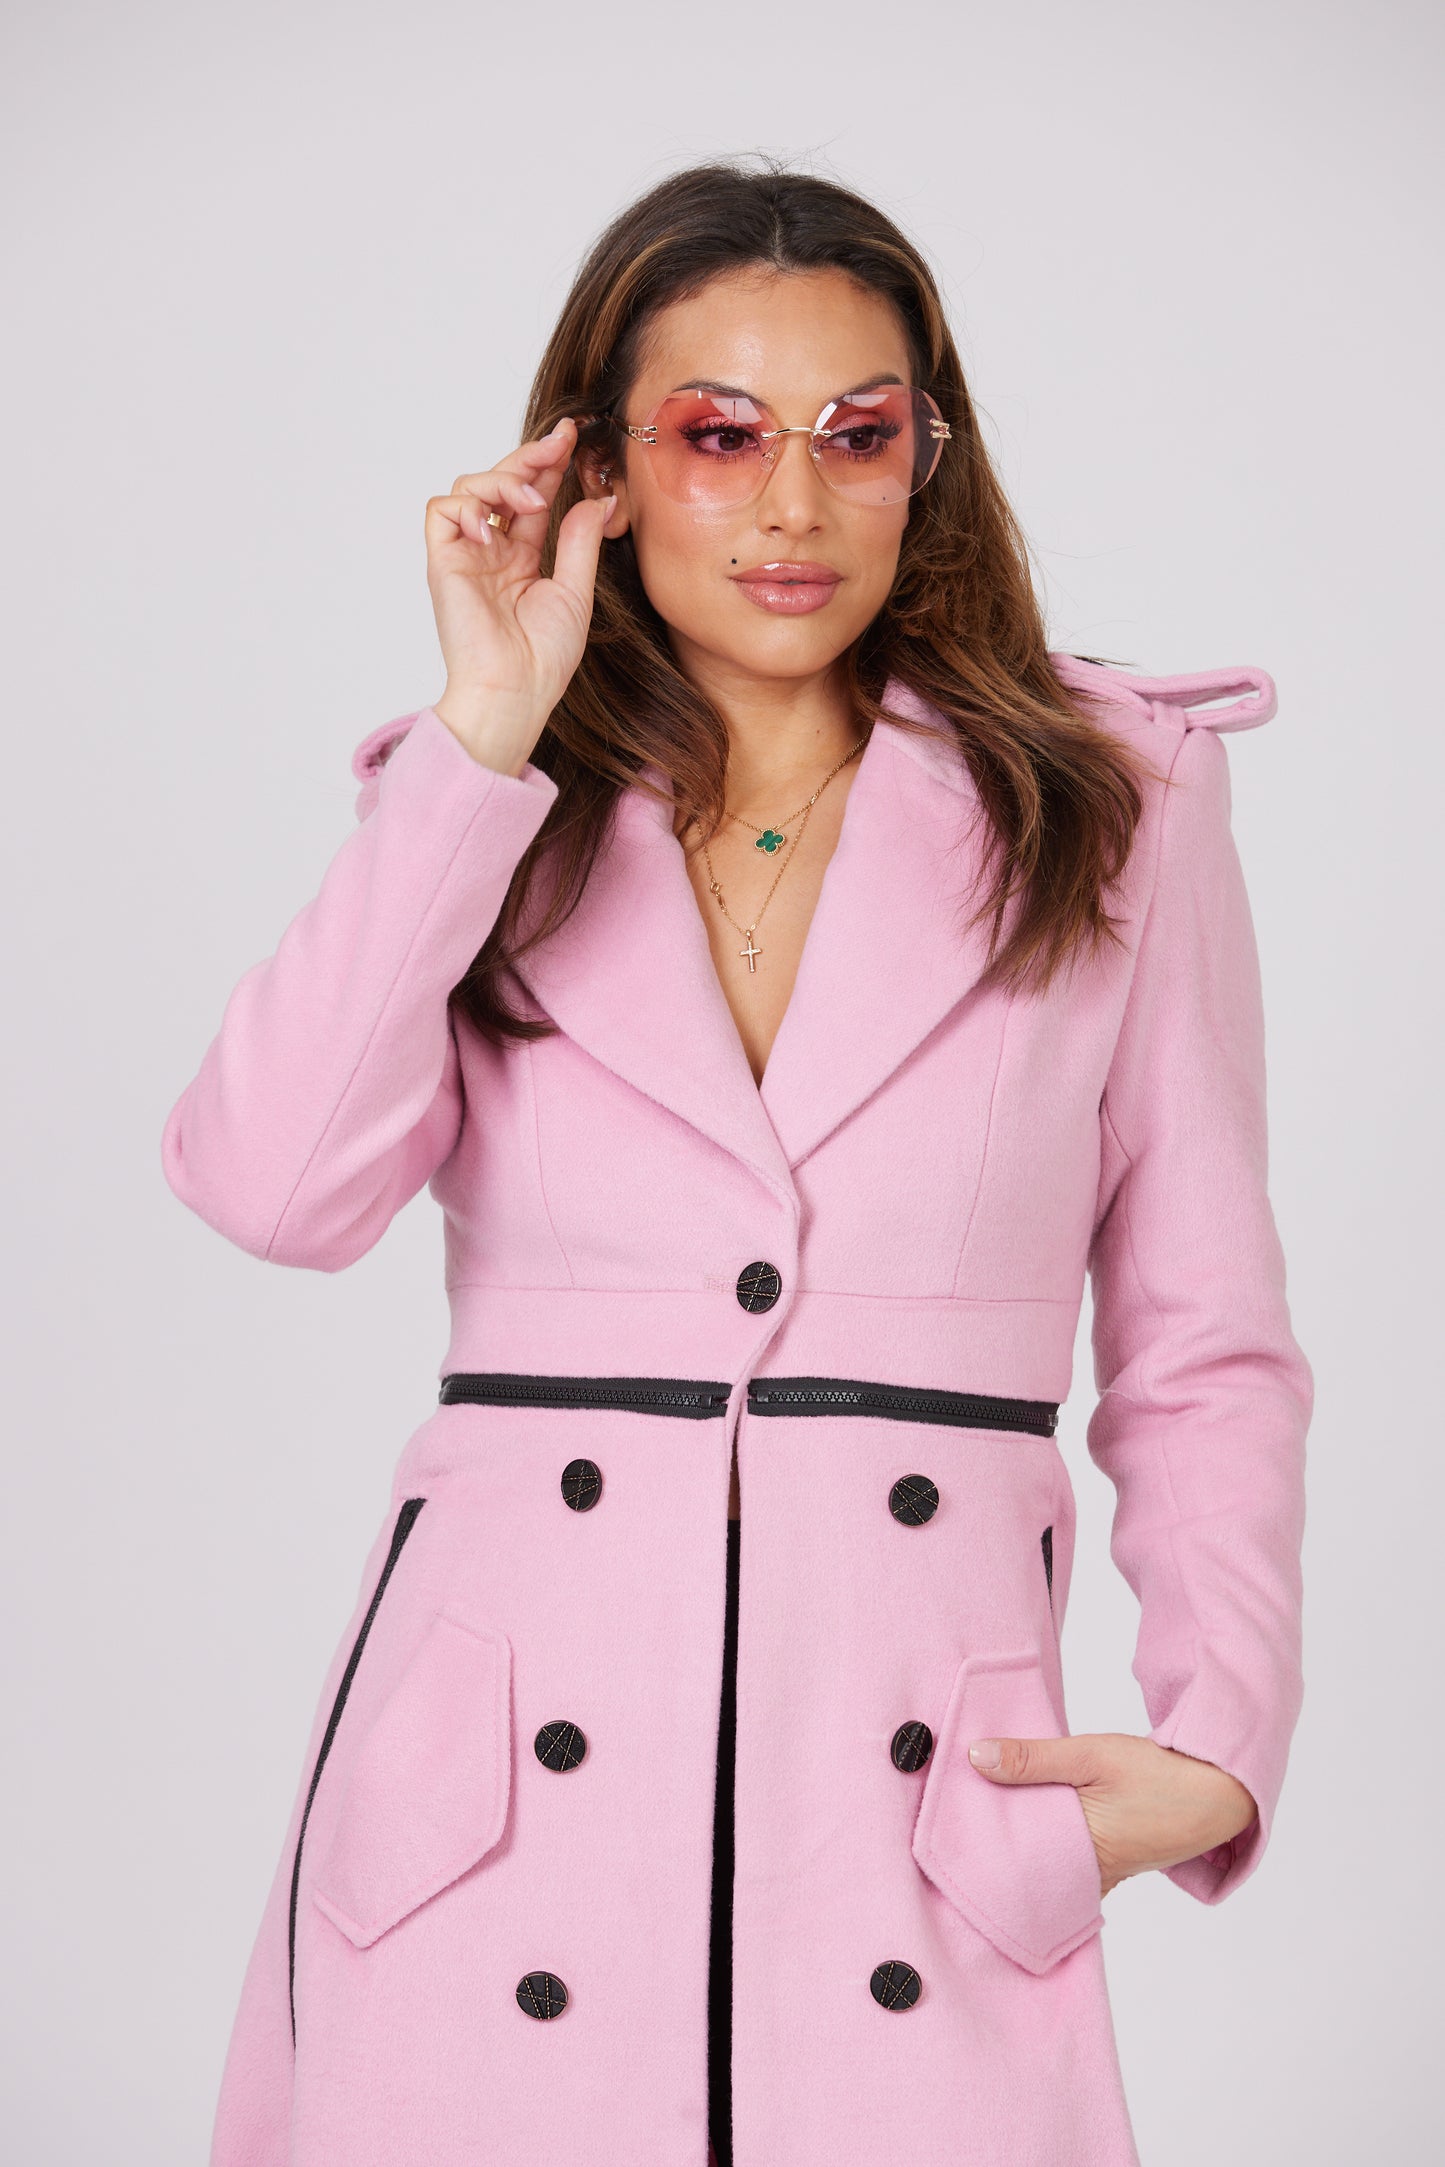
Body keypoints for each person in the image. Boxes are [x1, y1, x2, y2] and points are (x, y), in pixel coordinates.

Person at [162, 158, 1313, 2167]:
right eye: (716, 434)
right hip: (483, 1830)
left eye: (857, 436)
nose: (792, 503)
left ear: (926, 465)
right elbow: (273, 1190)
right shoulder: (482, 802)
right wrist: (482, 733)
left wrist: (1217, 1738)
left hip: (909, 1798)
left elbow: (1202, 1340)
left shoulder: (1113, 801)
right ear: (599, 465)